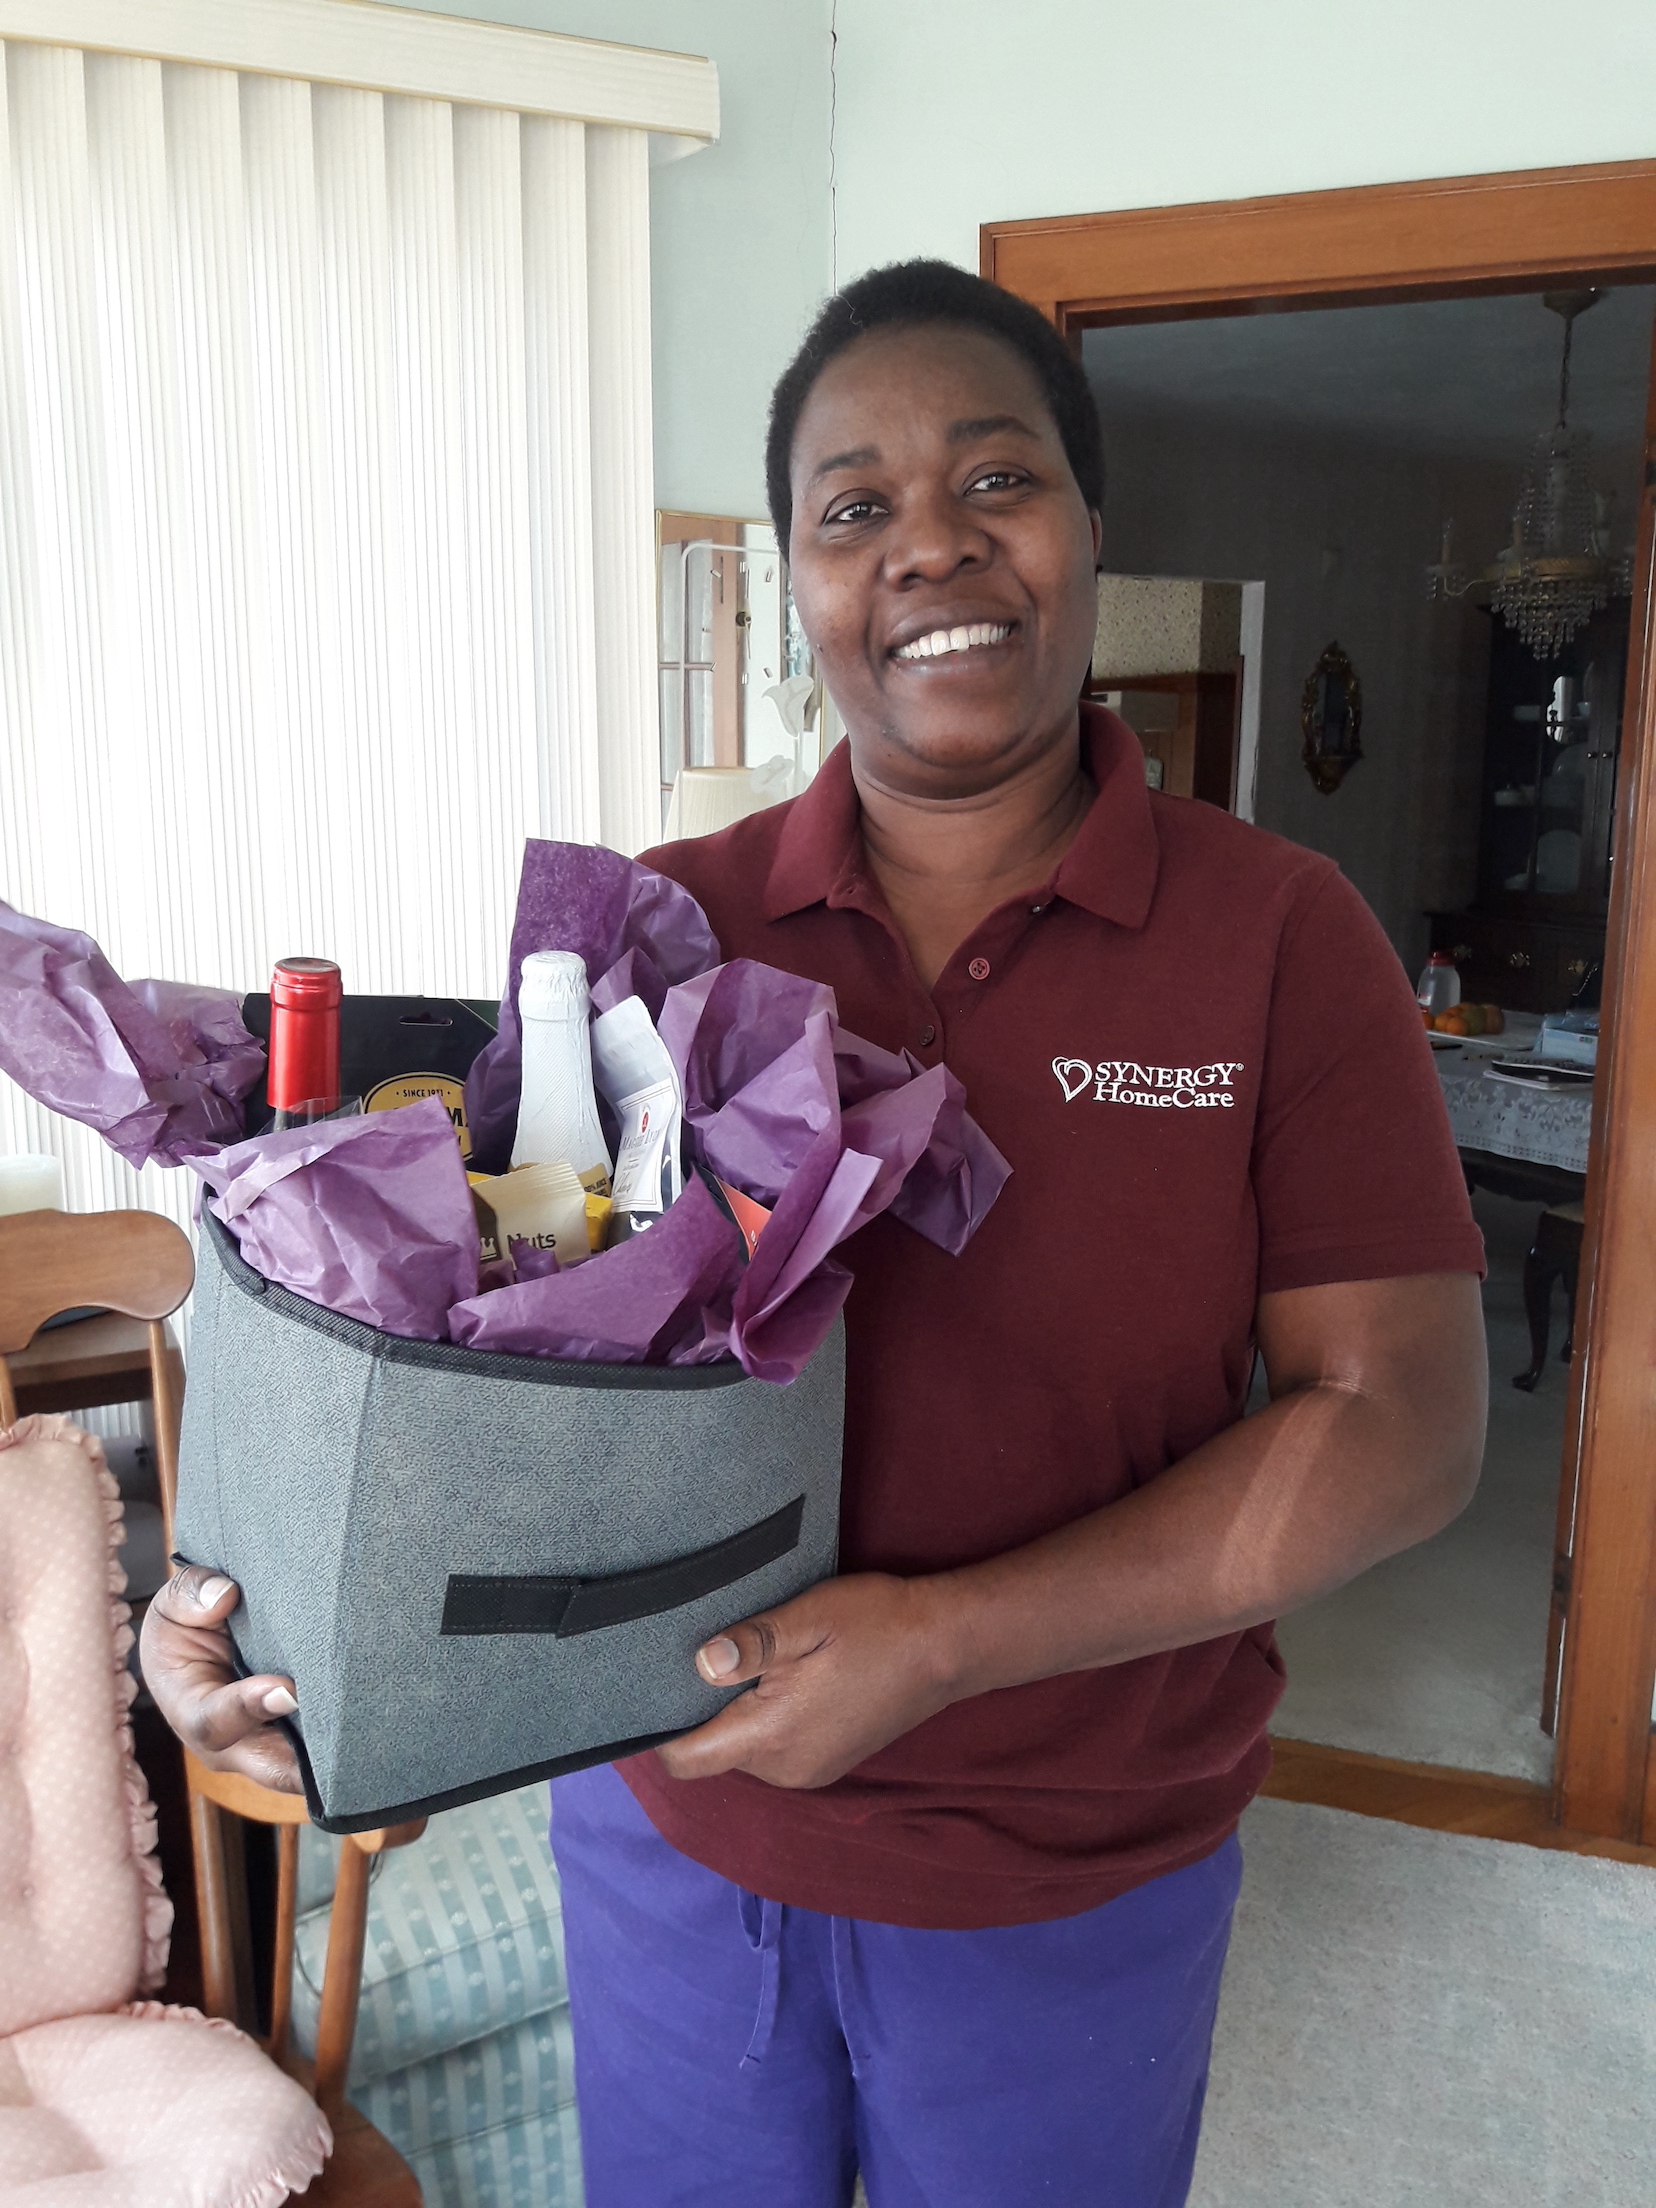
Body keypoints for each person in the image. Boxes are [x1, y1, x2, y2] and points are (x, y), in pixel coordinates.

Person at [143, 260, 1488, 2207]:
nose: (930, 546)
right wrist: (285, 1655)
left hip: (1076, 1863)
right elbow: (492, 1368)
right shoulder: (649, 935)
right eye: (854, 508)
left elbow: (1400, 1422)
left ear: (1094, 527)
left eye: (996, 480)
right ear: (799, 579)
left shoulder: (1280, 934)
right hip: (681, 1840)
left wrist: (942, 1643)